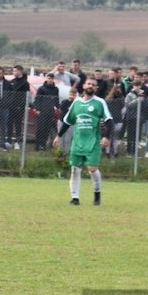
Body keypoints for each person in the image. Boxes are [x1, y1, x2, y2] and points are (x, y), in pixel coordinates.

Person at [53, 76, 112, 206]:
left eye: (93, 84)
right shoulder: (77, 103)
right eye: (89, 84)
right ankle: (75, 198)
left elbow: (109, 120)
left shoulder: (100, 102)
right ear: (84, 86)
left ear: (96, 88)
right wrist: (59, 136)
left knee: (92, 169)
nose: (91, 86)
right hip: (78, 142)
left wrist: (106, 136)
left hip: (93, 142)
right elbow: (67, 121)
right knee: (75, 169)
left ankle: (97, 193)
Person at [33, 72, 61, 151]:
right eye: (49, 78)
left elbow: (56, 100)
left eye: (51, 78)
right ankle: (37, 145)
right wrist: (37, 109)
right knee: (40, 129)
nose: (50, 80)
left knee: (46, 129)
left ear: (53, 79)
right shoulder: (41, 89)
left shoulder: (55, 89)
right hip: (41, 112)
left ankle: (43, 145)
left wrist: (58, 108)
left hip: (50, 112)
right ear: (46, 79)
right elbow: (37, 100)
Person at [7, 64, 30, 148]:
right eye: (13, 71)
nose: (13, 72)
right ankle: (8, 141)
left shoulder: (25, 83)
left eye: (15, 71)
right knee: (9, 123)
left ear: (20, 71)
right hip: (10, 106)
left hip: (19, 107)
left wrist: (21, 105)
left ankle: (17, 142)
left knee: (18, 124)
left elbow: (26, 96)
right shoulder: (12, 82)